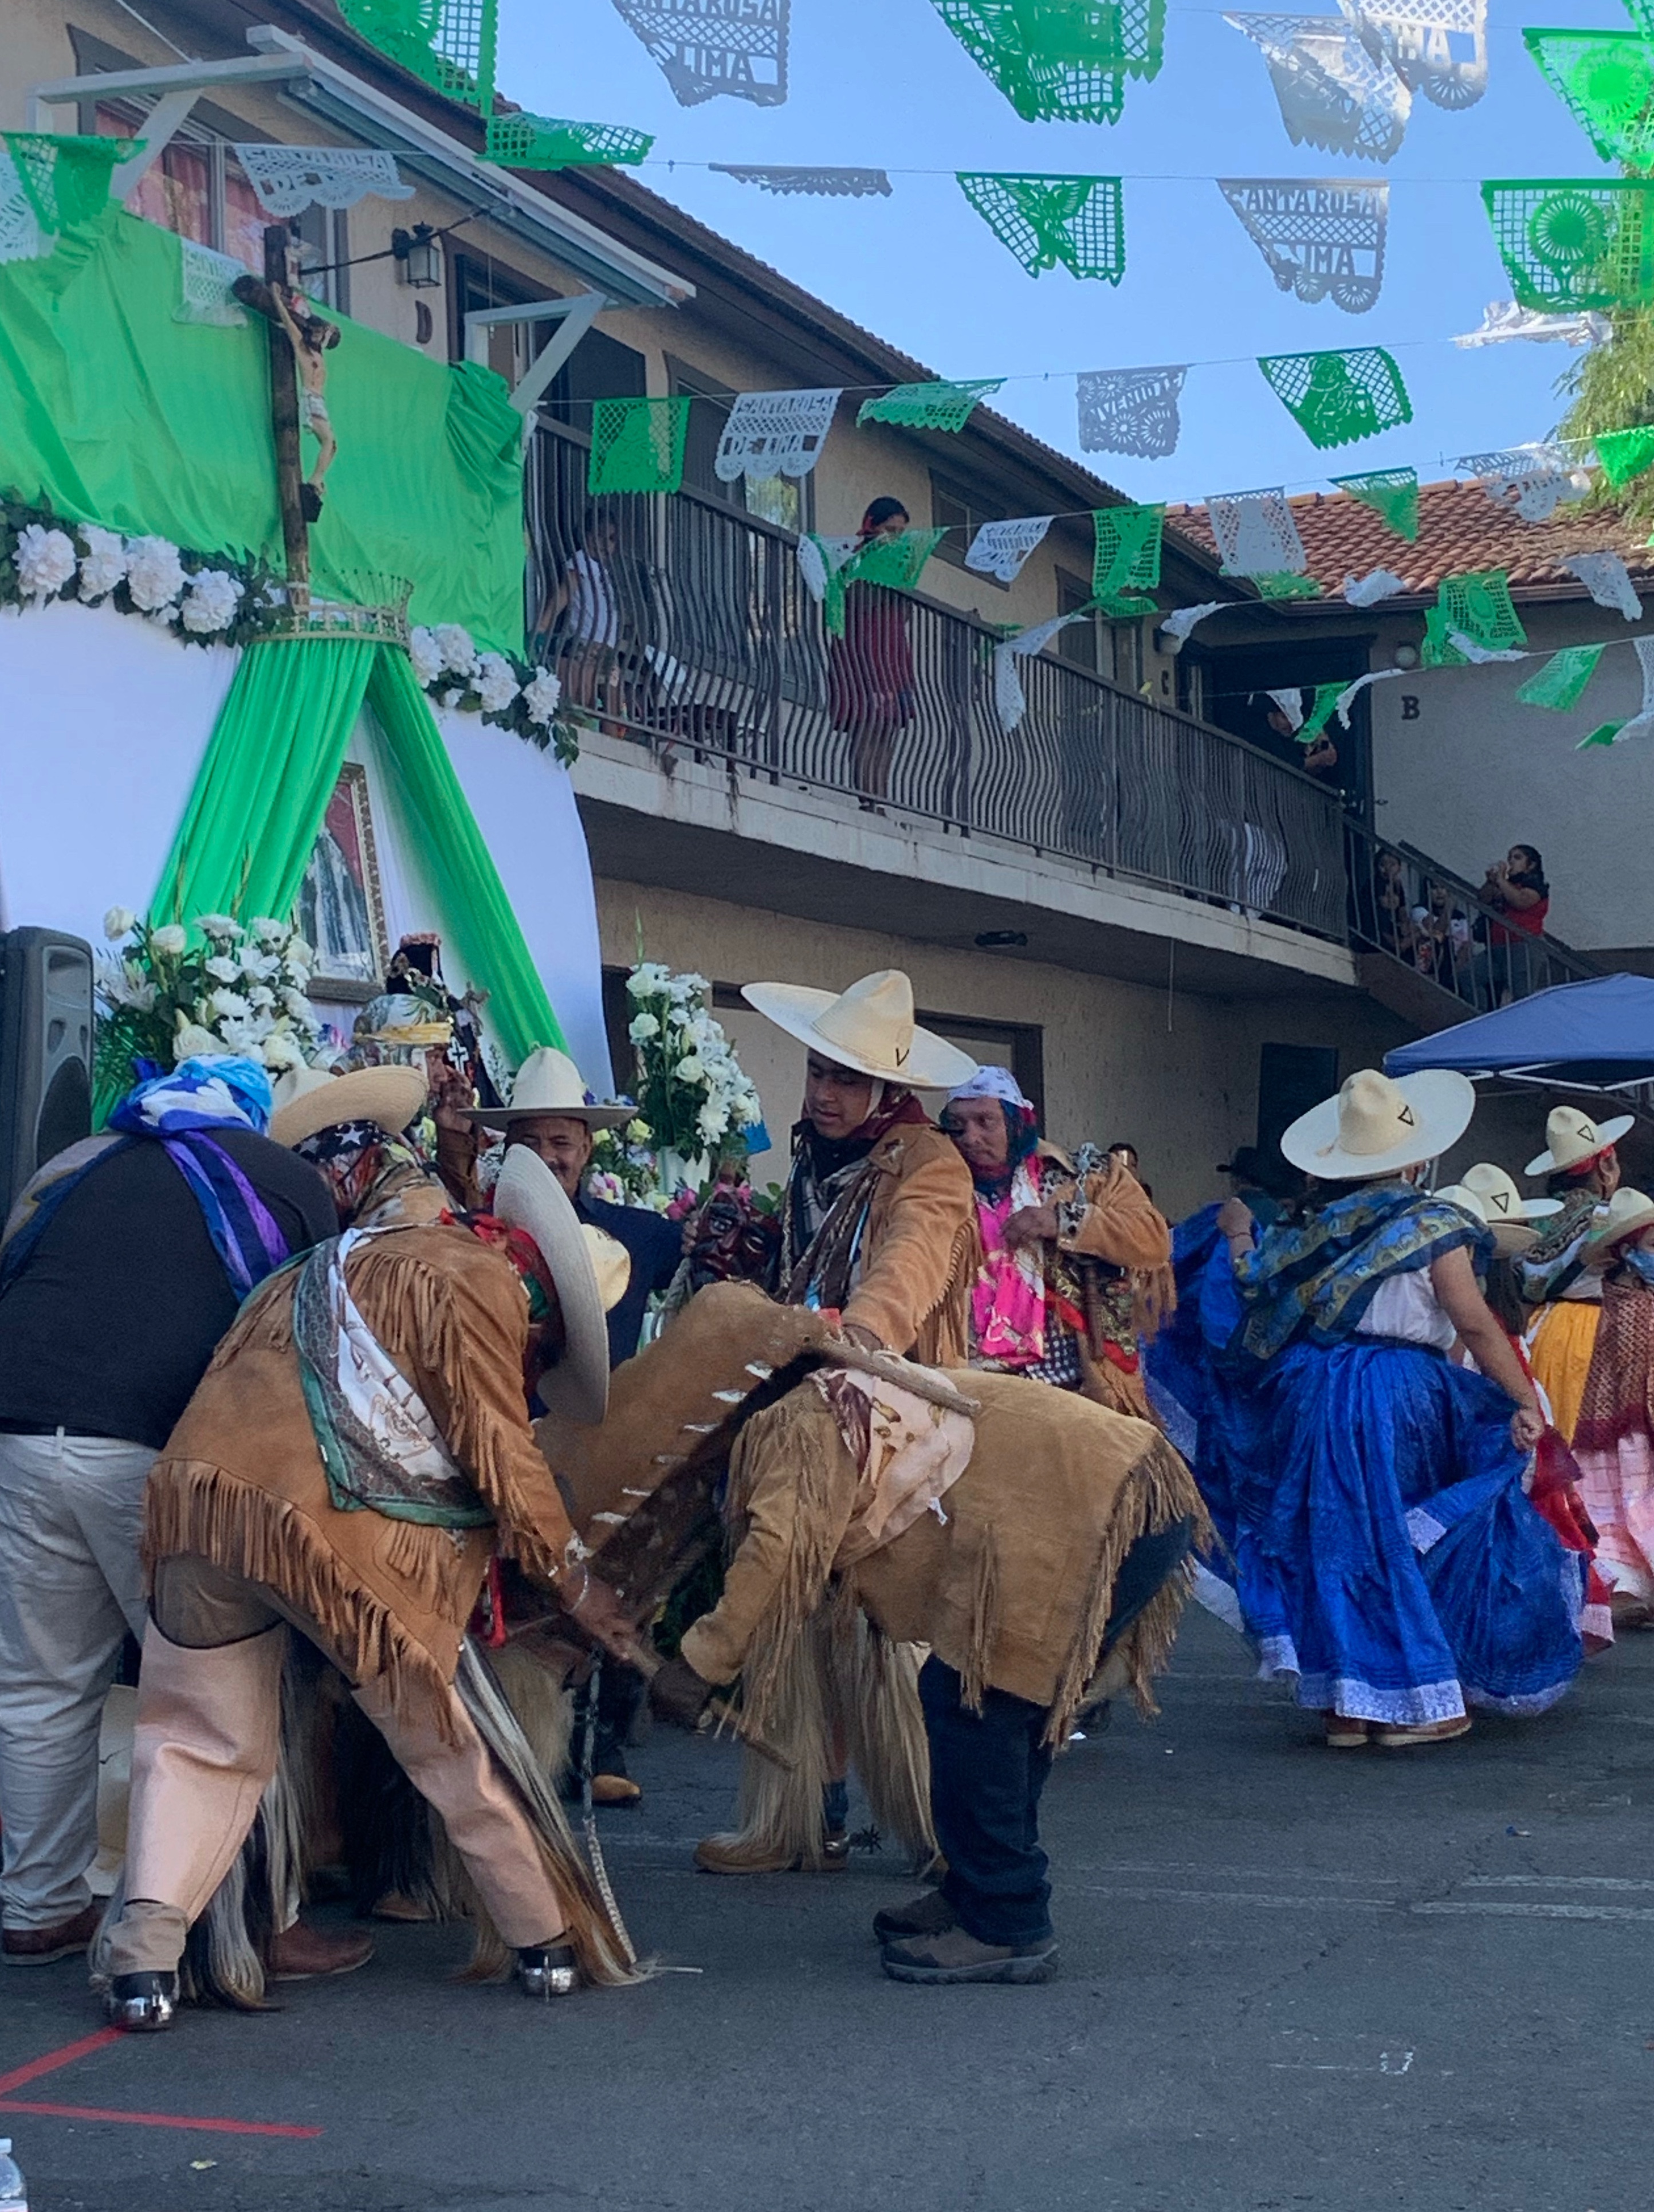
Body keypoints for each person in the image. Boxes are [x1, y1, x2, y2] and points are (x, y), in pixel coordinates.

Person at [99, 1148, 643, 2033]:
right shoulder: (480, 1281)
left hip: (199, 1506)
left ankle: (143, 1966)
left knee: (193, 1742)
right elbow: (501, 1449)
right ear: (540, 1293)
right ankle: (543, 1940)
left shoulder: (320, 1262)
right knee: (448, 1744)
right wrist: (578, 1585)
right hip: (345, 1538)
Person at [643, 1326, 1206, 1986]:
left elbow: (777, 1551)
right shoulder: (834, 1395)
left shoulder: (798, 1424)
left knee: (980, 1706)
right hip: (1124, 1491)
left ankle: (1006, 1921)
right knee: (985, 1702)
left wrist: (700, 1665)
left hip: (1110, 1506)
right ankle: (980, 1887)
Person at [0, 1057, 339, 1971]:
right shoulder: (281, 1180)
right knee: (221, 1687)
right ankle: (263, 1919)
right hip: (157, 1448)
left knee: (41, 1685)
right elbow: (317, 1341)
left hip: (22, 1429)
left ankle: (37, 1905)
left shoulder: (82, 1166)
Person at [687, 968, 981, 1876]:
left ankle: (952, 1832)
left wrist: (857, 1345)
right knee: (798, 1606)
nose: (822, 1093)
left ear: (889, 1090)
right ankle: (800, 1816)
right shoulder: (816, 1154)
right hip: (808, 1388)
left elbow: (909, 1261)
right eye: (817, 1072)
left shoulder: (928, 1164)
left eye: (845, 1081)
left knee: (898, 1622)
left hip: (890, 1404)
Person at [1219, 1068, 1581, 1749]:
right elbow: (1471, 1322)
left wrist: (1239, 1234)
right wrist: (1520, 1399)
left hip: (1313, 1390)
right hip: (1394, 1392)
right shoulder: (1429, 1223)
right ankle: (1420, 1699)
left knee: (1331, 1538)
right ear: (1414, 1159)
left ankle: (1348, 1704)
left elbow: (1251, 1292)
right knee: (1398, 1536)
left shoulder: (1313, 1228)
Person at [435, 1044, 678, 1808]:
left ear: (587, 1146)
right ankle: (514, 1744)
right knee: (520, 1595)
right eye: (531, 1142)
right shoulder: (475, 1237)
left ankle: (595, 1747)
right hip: (507, 1434)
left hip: (602, 1436)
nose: (547, 1157)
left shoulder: (645, 1237)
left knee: (610, 1577)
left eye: (561, 1142)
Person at [939, 1067, 1173, 1413]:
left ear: (1016, 1122)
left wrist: (1063, 1221)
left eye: (985, 1121)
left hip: (1072, 1386)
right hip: (969, 1386)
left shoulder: (1084, 1176)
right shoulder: (934, 1188)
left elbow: (1153, 1238)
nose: (971, 1137)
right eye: (958, 1126)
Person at [1567, 1189, 1654, 1631]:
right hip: (1626, 1422)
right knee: (1625, 1501)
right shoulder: (1621, 1301)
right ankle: (1629, 1586)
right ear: (1627, 1251)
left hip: (1637, 1418)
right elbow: (1628, 1366)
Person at [1518, 1106, 1632, 1444]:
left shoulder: (1535, 1219)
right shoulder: (1610, 1218)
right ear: (1605, 1168)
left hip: (1543, 1329)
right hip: (1598, 1334)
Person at [828, 497, 918, 807]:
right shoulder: (856, 558)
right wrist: (885, 582)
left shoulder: (899, 565)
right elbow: (857, 602)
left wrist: (902, 586)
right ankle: (866, 799)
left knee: (889, 729)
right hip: (863, 652)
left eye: (900, 532)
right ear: (872, 526)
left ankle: (880, 799)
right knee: (868, 725)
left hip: (892, 655)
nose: (895, 538)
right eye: (889, 530)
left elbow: (903, 616)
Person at [270, 283, 340, 522]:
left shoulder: (318, 351)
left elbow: (324, 338)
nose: (319, 337)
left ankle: (318, 479)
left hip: (320, 399)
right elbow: (290, 325)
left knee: (333, 446)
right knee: (328, 441)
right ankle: (315, 479)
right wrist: (277, 299)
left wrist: (329, 332)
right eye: (317, 333)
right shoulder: (303, 348)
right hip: (311, 398)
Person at [1472, 844, 1550, 1007]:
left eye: (1518, 858)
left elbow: (1521, 901)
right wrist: (1490, 883)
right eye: (1510, 858)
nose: (1511, 862)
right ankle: (1481, 1016)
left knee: (1522, 995)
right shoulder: (1507, 885)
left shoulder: (1535, 885)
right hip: (1497, 947)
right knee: (1469, 977)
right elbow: (1483, 900)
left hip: (1522, 947)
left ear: (1532, 864)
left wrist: (1501, 880)